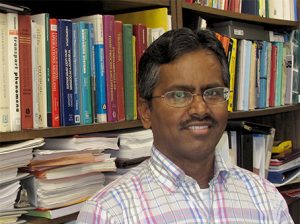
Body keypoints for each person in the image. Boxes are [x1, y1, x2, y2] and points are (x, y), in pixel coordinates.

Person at [77, 28, 293, 223]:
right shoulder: (108, 214)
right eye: (179, 95)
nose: (200, 109)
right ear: (145, 111)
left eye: (213, 93)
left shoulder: (265, 199)